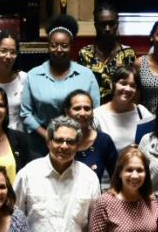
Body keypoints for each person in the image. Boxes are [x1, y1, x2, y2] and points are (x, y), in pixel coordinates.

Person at [21, 15, 99, 152]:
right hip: (41, 143)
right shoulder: (33, 75)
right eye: (54, 45)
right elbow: (26, 113)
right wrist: (47, 136)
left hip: (78, 142)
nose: (58, 49)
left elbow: (95, 111)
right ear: (48, 46)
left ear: (72, 46)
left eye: (64, 45)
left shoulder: (87, 75)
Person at [78, 3, 135, 101]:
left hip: (119, 110)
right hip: (92, 110)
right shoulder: (85, 54)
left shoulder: (127, 54)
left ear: (117, 24)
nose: (107, 29)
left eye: (111, 24)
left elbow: (133, 86)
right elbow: (80, 87)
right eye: (103, 25)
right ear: (96, 26)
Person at [94, 66, 156, 151]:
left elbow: (154, 138)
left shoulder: (141, 111)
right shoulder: (97, 115)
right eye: (123, 83)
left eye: (132, 86)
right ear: (112, 85)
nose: (127, 89)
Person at [64, 89, 118, 186]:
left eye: (87, 108)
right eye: (77, 108)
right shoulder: (57, 140)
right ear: (67, 112)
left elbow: (118, 177)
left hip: (94, 199)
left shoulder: (103, 141)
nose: (83, 113)